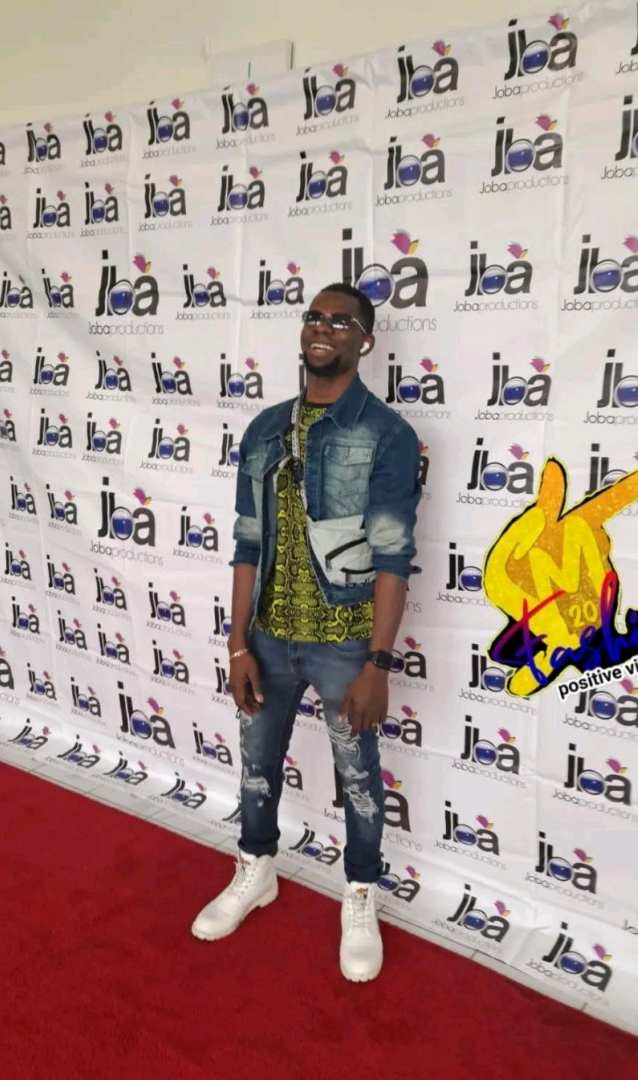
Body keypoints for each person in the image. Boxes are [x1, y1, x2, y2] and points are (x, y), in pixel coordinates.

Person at [191, 282, 422, 983]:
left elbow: (393, 555)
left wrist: (378, 663)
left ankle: (361, 893)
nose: (324, 328)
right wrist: (237, 643)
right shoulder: (265, 429)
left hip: (345, 641)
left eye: (341, 321)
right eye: (314, 317)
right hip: (267, 638)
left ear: (365, 342)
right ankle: (256, 868)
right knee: (256, 766)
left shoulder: (387, 434)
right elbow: (247, 542)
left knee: (359, 778)